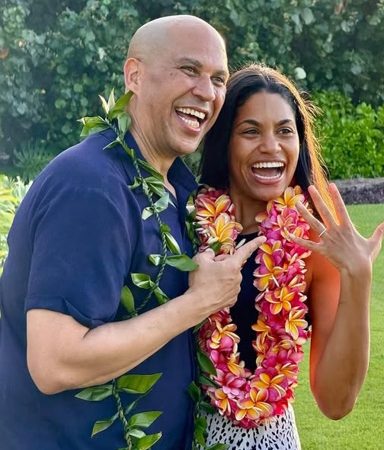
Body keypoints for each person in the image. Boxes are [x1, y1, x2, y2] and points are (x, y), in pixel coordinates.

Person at [0, 16, 265, 450]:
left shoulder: (178, 188)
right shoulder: (91, 185)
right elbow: (55, 364)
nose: (207, 91)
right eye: (189, 69)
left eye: (218, 78)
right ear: (134, 76)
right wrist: (197, 303)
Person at [195, 64, 384, 449]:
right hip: (186, 438)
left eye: (285, 131)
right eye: (251, 131)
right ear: (224, 141)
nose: (271, 146)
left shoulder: (314, 245)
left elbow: (336, 402)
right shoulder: (186, 227)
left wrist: (358, 278)